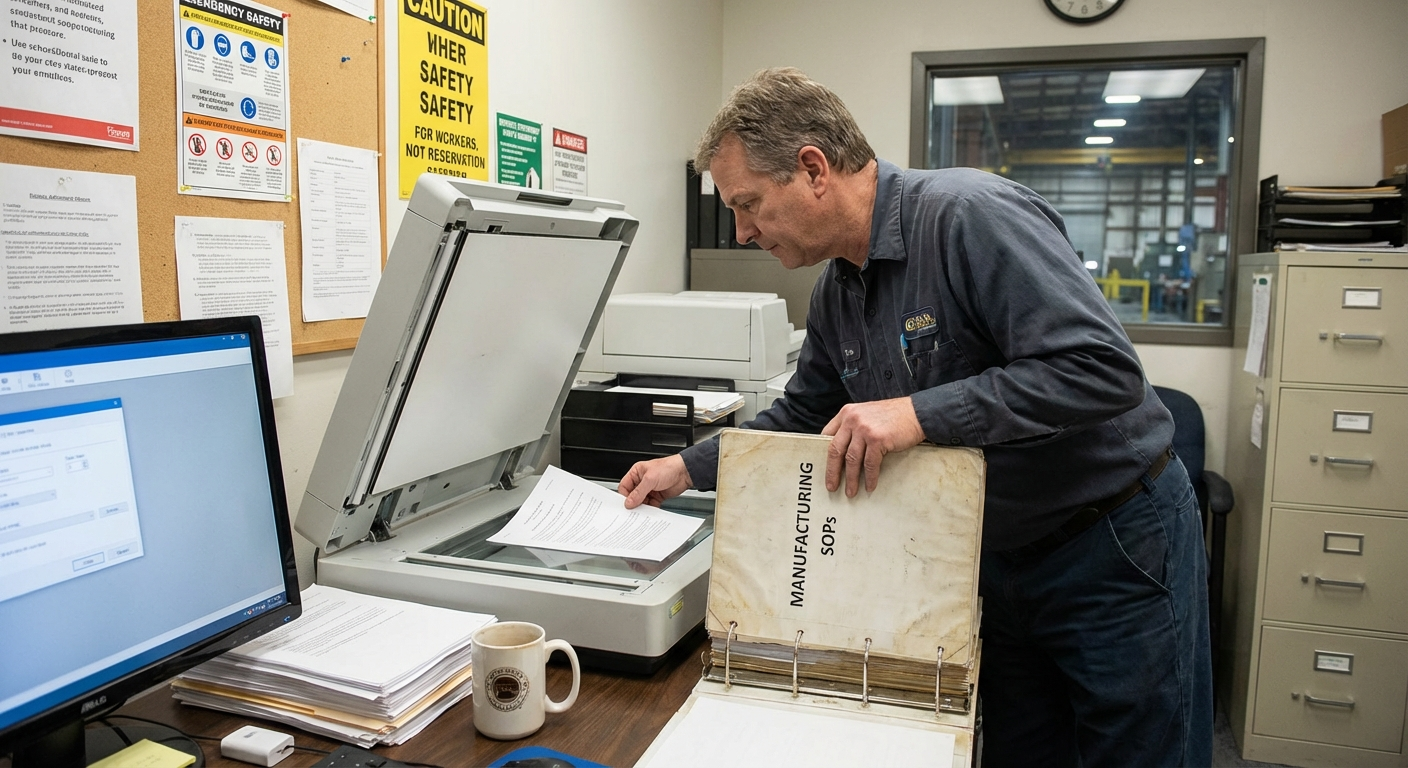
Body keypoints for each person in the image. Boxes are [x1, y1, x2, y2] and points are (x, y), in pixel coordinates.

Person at [618, 67, 1211, 767]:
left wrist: (918, 415)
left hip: (1111, 547)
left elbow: (1100, 369)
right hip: (995, 562)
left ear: (812, 169)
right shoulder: (839, 289)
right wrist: (687, 466)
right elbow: (805, 413)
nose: (743, 232)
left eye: (748, 205)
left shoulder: (967, 216)